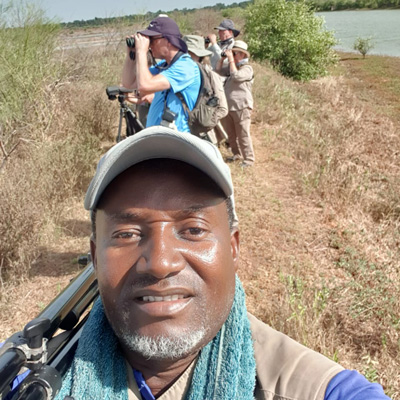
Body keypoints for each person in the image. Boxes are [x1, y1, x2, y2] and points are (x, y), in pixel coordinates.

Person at [55, 126, 391, 400]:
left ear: (232, 248)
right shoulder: (31, 377)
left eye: (193, 230)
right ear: (96, 256)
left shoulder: (312, 388)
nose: (159, 263)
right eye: (127, 234)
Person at [121, 16, 200, 132]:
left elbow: (145, 86)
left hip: (178, 140)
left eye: (153, 40)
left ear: (169, 41)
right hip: (160, 138)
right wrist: (131, 54)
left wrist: (141, 51)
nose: (150, 44)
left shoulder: (185, 66)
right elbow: (128, 84)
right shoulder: (164, 66)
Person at [182, 34, 228, 145]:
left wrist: (204, 122)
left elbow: (223, 109)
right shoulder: (177, 74)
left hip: (203, 136)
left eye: (189, 53)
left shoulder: (209, 75)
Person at [216, 40, 255, 167]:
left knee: (243, 134)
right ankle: (236, 154)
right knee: (231, 135)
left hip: (242, 106)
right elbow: (217, 72)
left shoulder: (247, 69)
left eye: (235, 53)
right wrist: (222, 60)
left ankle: (249, 160)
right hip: (229, 106)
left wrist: (231, 60)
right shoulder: (233, 67)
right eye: (232, 52)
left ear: (243, 55)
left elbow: (237, 76)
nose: (232, 55)